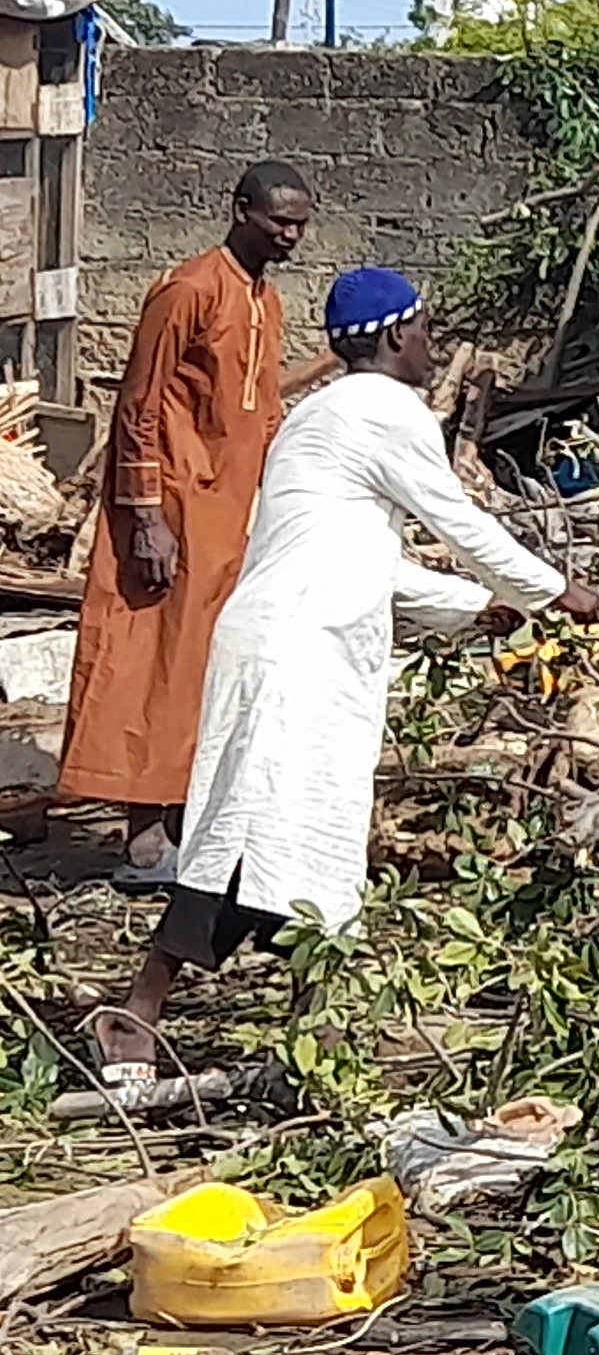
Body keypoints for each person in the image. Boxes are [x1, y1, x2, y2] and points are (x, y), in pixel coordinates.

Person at [88, 270, 599, 1079]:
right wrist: (555, 591)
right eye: (426, 328)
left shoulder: (317, 417)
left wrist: (474, 607)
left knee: (286, 839)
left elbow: (368, 560)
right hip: (299, 655)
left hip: (289, 642)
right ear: (398, 335)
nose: (432, 345)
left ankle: (304, 1034)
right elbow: (459, 520)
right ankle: (145, 1016)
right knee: (260, 835)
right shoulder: (383, 412)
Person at [61, 163, 317, 884]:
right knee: (152, 661)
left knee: (204, 666)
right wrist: (144, 515)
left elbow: (259, 410)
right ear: (241, 212)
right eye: (280, 222)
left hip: (227, 517)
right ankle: (142, 839)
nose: (291, 236)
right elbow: (137, 407)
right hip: (170, 509)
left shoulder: (265, 301)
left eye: (300, 224)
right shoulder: (189, 289)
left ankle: (184, 822)